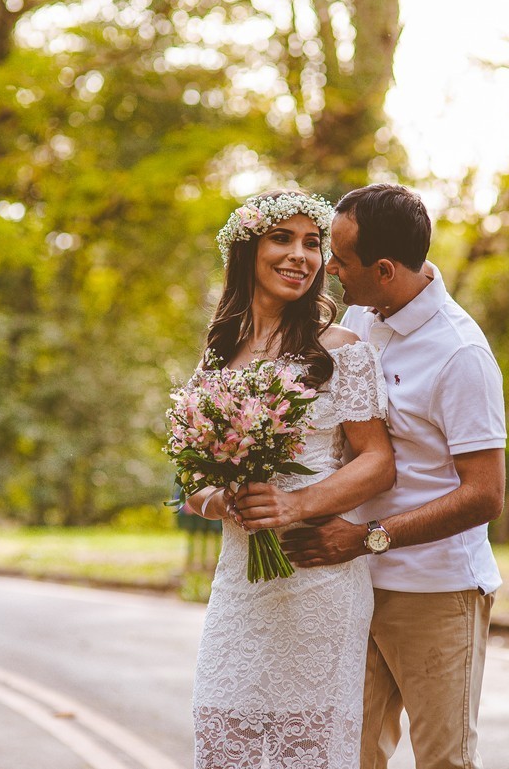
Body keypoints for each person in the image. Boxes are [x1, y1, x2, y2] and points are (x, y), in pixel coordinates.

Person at [280, 184, 507, 769]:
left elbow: (485, 495)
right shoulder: (362, 313)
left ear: (383, 269)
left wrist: (366, 537)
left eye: (342, 260)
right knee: (349, 756)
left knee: (443, 761)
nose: (329, 268)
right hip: (354, 586)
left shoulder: (460, 354)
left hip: (436, 592)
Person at [183, 189, 395, 768]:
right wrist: (224, 501)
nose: (300, 255)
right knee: (225, 740)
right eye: (283, 238)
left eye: (312, 242)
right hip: (239, 586)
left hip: (318, 581)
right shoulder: (218, 359)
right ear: (248, 249)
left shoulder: (344, 352)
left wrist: (295, 504)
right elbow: (192, 486)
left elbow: (377, 463)